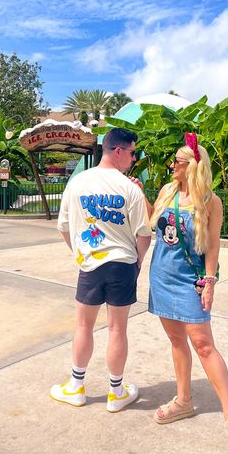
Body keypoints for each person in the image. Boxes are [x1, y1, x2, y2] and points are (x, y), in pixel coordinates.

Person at [136, 133, 228, 454]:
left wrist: (211, 280)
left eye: (177, 161)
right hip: (161, 276)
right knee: (176, 342)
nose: (172, 165)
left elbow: (213, 244)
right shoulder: (166, 191)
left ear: (193, 166)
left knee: (203, 345)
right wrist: (138, 193)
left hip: (190, 280)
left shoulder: (210, 201)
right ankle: (184, 400)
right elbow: (154, 224)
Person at [51, 128, 152, 413]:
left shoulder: (78, 182)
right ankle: (116, 392)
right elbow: (144, 234)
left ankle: (76, 387)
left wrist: (81, 255)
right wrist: (137, 264)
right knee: (118, 328)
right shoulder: (130, 188)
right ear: (118, 150)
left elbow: (64, 227)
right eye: (133, 153)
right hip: (122, 265)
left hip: (91, 265)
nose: (134, 159)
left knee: (84, 325)